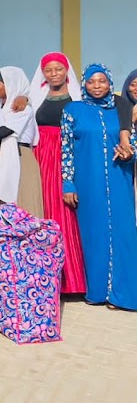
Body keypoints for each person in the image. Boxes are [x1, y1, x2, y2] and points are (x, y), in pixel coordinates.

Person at [61, 64, 137, 310]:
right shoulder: (73, 110)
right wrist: (68, 182)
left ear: (109, 83)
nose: (96, 86)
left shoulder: (121, 108)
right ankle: (98, 291)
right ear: (84, 83)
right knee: (95, 235)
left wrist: (129, 153)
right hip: (87, 181)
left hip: (119, 178)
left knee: (124, 233)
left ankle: (123, 294)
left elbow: (133, 141)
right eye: (91, 81)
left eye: (102, 81)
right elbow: (67, 150)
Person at [30, 52, 87, 294]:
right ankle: (44, 276)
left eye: (58, 69)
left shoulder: (78, 98)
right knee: (43, 210)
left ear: (66, 71)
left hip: (66, 158)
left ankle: (71, 281)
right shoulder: (36, 97)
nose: (54, 74)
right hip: (40, 159)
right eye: (49, 70)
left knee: (66, 214)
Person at [0, 67, 43, 217]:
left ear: (10, 85)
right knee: (1, 210)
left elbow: (1, 132)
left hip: (20, 159)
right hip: (0, 157)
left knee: (23, 203)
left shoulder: (22, 109)